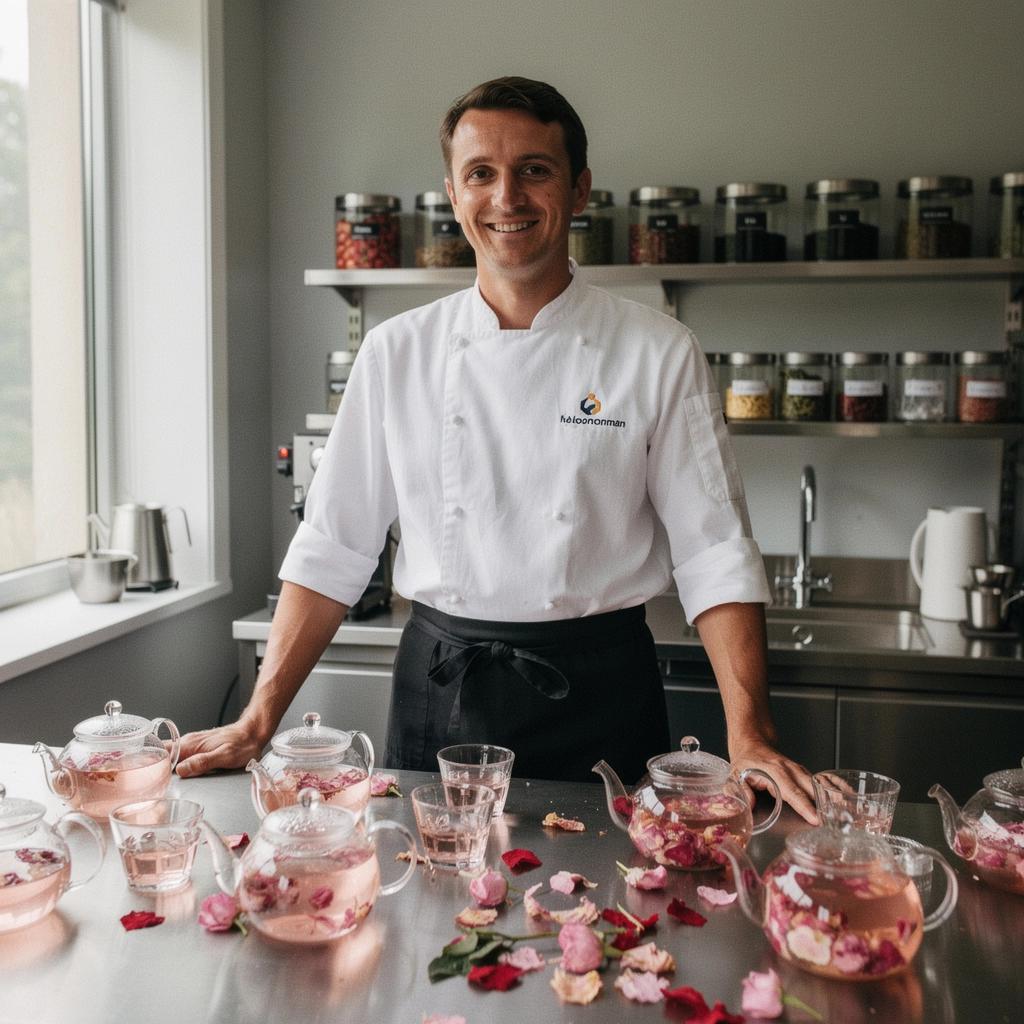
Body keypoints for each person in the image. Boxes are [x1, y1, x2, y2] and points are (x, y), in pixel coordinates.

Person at [177, 76, 817, 822]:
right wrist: (259, 720)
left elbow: (714, 554)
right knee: (433, 914)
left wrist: (752, 736)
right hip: (444, 693)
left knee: (617, 916)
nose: (506, 197)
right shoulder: (396, 353)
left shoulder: (658, 351)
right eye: (482, 173)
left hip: (604, 692)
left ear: (579, 190)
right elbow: (331, 552)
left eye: (534, 171)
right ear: (453, 192)